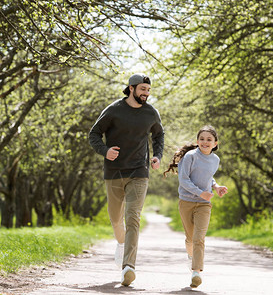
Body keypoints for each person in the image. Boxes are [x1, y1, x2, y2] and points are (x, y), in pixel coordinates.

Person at [89, 73, 164, 286]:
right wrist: (104, 151)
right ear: (131, 88)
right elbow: (94, 133)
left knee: (133, 218)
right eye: (143, 90)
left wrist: (157, 155)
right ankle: (121, 245)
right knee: (115, 219)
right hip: (114, 171)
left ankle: (128, 266)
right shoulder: (113, 110)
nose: (146, 94)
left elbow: (159, 135)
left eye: (148, 90)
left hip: (139, 171)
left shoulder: (151, 113)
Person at [164, 125, 228, 288]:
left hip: (204, 204)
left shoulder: (215, 159)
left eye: (209, 139)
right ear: (197, 141)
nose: (205, 142)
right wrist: (201, 192)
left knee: (199, 238)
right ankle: (190, 257)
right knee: (190, 239)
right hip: (186, 202)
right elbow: (184, 180)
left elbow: (208, 177)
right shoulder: (190, 156)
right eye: (202, 139)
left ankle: (196, 272)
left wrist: (216, 187)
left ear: (215, 143)